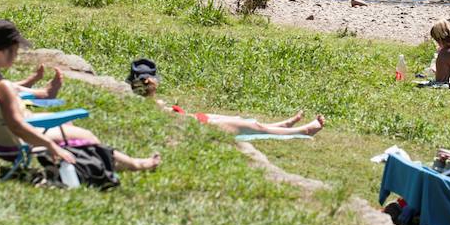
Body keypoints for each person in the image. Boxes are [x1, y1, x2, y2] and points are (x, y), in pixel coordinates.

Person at [0, 20, 161, 171]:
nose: (15, 56)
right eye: (14, 51)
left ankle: (60, 162)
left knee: (67, 125)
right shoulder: (3, 86)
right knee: (87, 136)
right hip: (12, 142)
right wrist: (50, 146)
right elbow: (17, 126)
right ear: (0, 50)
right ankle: (135, 164)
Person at [139, 77, 324, 137]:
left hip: (195, 118)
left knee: (240, 120)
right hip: (196, 126)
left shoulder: (145, 104)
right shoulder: (145, 108)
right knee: (251, 127)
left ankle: (281, 126)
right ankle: (303, 131)